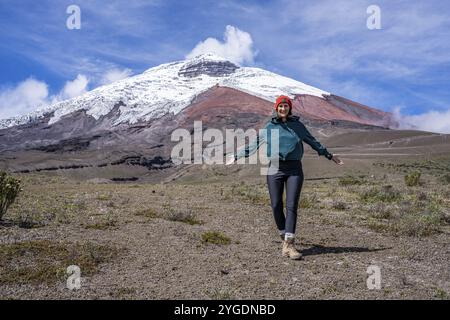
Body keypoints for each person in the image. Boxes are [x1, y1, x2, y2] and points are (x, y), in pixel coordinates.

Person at [226, 95, 343, 260]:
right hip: (274, 168)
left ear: (289, 108)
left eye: (285, 106)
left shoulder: (298, 126)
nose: (283, 109)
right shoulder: (269, 128)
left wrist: (329, 155)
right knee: (275, 205)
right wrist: (237, 156)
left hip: (294, 169)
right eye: (280, 106)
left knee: (291, 205)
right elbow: (253, 146)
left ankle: (289, 244)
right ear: (276, 108)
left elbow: (313, 141)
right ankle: (283, 234)